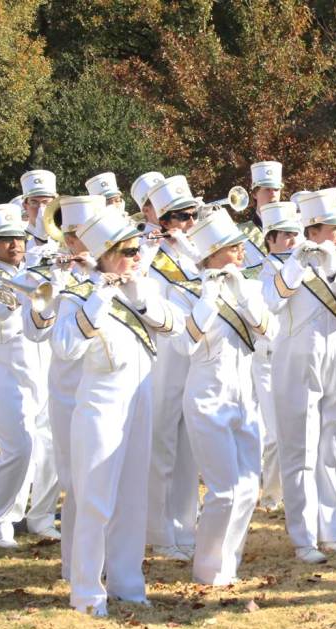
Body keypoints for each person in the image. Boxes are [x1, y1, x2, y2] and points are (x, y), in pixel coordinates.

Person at [52, 208, 180, 616]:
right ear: (104, 255)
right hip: (100, 405)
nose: (136, 256)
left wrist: (138, 293)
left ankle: (127, 581)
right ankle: (87, 590)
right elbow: (66, 348)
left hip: (140, 401)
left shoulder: (141, 289)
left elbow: (174, 326)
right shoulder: (76, 296)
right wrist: (100, 294)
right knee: (95, 500)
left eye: (136, 249)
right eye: (127, 251)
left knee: (132, 498)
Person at [263, 188, 336, 563]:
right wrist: (298, 263)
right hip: (296, 357)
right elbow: (270, 302)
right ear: (311, 230)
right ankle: (304, 538)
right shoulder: (281, 264)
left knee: (334, 446)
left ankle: (334, 532)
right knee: (300, 448)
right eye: (331, 227)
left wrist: (331, 268)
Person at [171, 208, 277, 584]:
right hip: (206, 396)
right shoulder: (185, 292)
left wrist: (241, 298)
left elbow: (272, 334)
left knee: (249, 487)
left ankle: (227, 562)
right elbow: (185, 344)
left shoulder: (248, 287)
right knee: (224, 490)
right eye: (233, 249)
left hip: (244, 396)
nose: (241, 255)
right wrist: (210, 296)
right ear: (211, 254)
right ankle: (207, 567)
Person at [20, 195, 102, 581]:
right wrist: (55, 282)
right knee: (75, 482)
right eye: (85, 235)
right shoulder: (49, 274)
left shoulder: (113, 268)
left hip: (107, 387)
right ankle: (75, 566)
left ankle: (99, 561)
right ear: (69, 240)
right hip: (70, 389)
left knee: (102, 479)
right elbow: (34, 331)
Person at [0, 204, 59, 548]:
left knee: (51, 447)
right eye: (7, 240)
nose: (15, 245)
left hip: (43, 369)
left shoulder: (34, 272)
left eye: (19, 239)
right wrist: (17, 291)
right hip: (4, 374)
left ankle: (40, 517)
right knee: (19, 449)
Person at [143, 175, 202, 562]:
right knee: (161, 442)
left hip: (196, 353)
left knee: (189, 448)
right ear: (164, 220)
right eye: (182, 216)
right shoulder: (149, 255)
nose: (190, 223)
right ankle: (158, 529)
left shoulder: (194, 250)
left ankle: (185, 525)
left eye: (192, 215)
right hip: (163, 356)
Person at [255, 201, 303, 510]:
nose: (292, 241)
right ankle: (270, 494)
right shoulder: (262, 271)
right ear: (270, 239)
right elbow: (271, 303)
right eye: (284, 235)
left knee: (295, 429)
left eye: (295, 234)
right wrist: (295, 266)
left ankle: (285, 491)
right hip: (268, 358)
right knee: (272, 435)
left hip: (298, 355)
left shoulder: (305, 265)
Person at [236, 161, 282, 268]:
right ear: (254, 194)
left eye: (276, 189)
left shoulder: (295, 228)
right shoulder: (240, 233)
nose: (273, 194)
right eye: (267, 190)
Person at [19, 170, 59, 268]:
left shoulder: (64, 236)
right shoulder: (18, 239)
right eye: (34, 202)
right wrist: (39, 240)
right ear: (25, 206)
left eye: (46, 202)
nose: (41, 208)